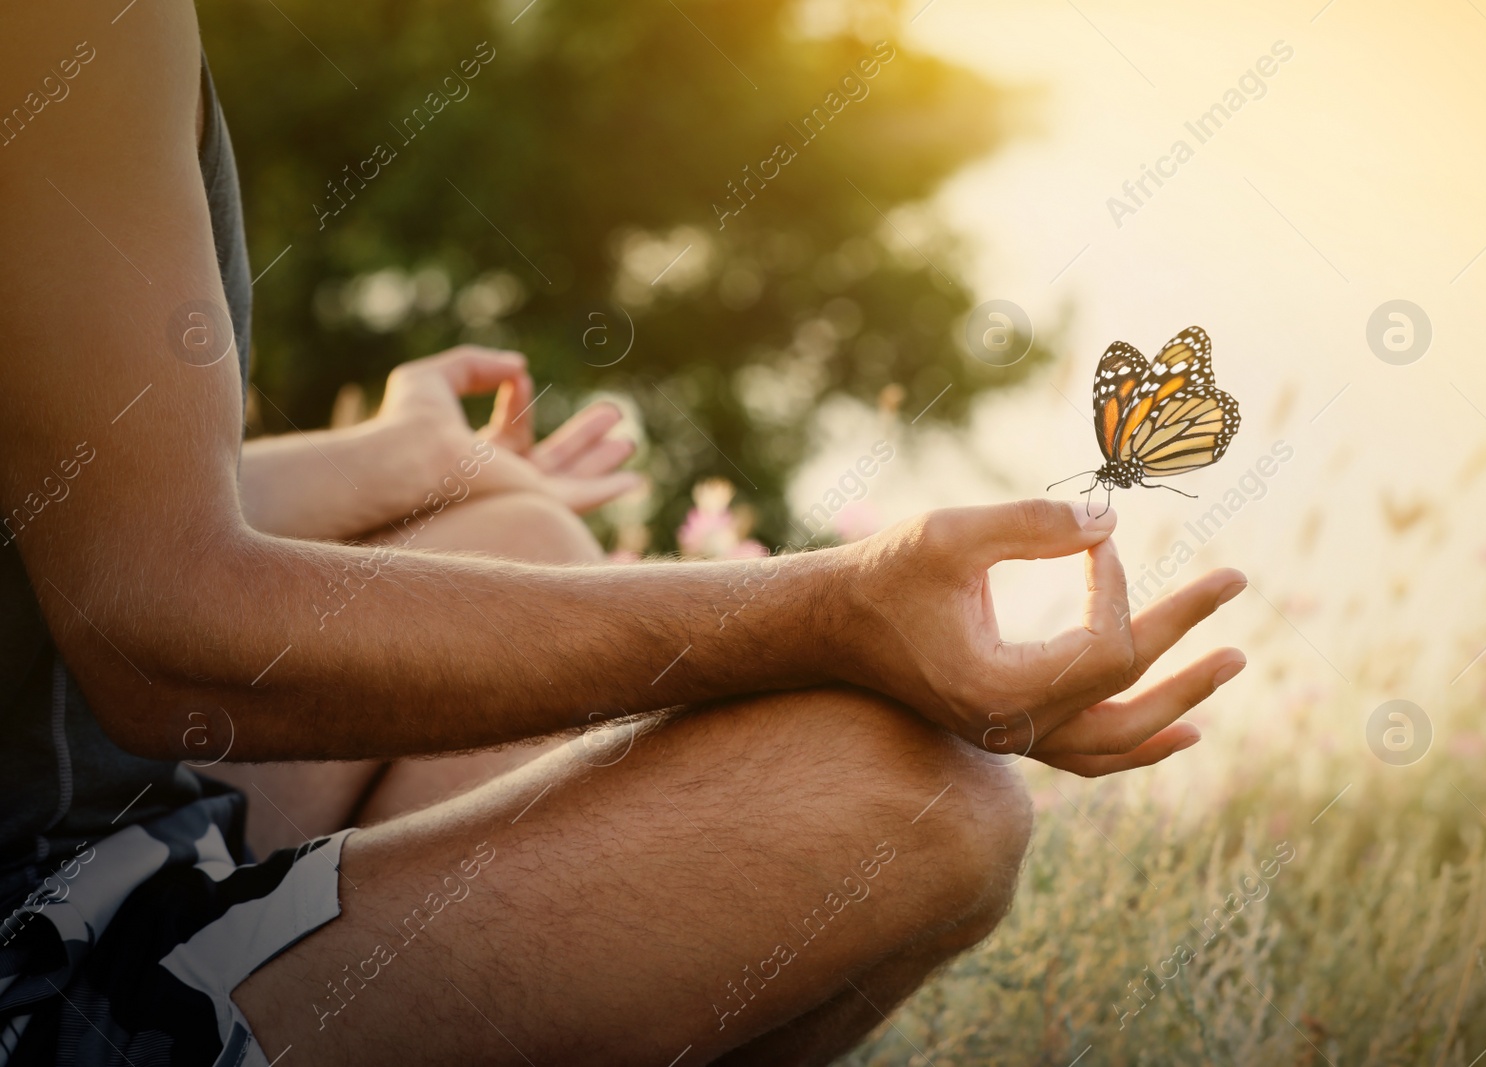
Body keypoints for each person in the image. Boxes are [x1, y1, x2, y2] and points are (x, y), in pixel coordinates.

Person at [0, 3, 1248, 1064]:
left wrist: (374, 464)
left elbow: (64, 539)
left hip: (109, 830)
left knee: (511, 530)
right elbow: (160, 640)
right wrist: (831, 612)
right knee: (922, 802)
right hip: (37, 965)